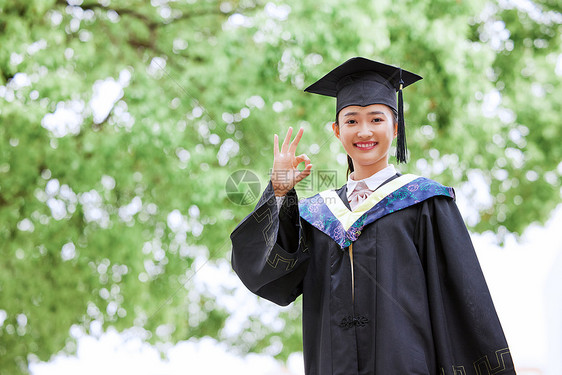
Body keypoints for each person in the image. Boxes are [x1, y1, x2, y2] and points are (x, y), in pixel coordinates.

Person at [230, 57, 515, 374]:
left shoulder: (425, 202)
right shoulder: (316, 217)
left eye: (376, 119)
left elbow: (464, 298)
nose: (364, 131)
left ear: (395, 126)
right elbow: (267, 278)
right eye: (351, 121)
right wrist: (278, 192)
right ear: (337, 132)